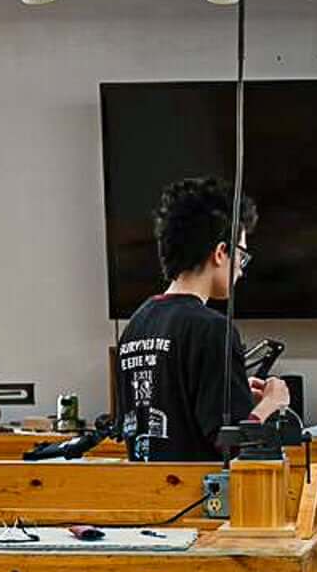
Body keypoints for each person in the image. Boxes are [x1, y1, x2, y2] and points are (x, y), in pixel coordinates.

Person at [117, 177, 291, 462]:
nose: (242, 270)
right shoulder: (213, 329)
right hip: (200, 490)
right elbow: (233, 445)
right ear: (220, 253)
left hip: (149, 488)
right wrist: (271, 403)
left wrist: (232, 392)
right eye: (242, 255)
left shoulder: (136, 325)